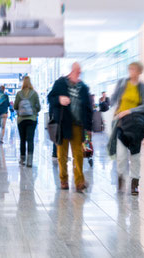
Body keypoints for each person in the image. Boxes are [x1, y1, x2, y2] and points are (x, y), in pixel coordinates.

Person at [48, 62, 93, 193]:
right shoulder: (60, 83)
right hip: (62, 124)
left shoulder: (83, 87)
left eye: (79, 71)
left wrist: (88, 128)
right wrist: (59, 100)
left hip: (78, 125)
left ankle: (79, 182)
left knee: (78, 154)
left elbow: (88, 108)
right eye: (76, 71)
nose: (78, 73)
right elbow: (50, 98)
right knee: (61, 154)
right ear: (72, 70)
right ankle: (63, 180)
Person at [111, 62, 144, 195]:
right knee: (121, 155)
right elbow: (114, 98)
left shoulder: (142, 86)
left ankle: (134, 183)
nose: (131, 71)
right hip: (121, 123)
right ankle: (121, 176)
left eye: (133, 69)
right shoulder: (122, 83)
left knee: (135, 155)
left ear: (139, 72)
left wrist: (129, 111)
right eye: (130, 69)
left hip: (135, 124)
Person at [14, 76, 41, 167]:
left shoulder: (19, 94)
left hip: (21, 120)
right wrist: (34, 111)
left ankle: (22, 160)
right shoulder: (34, 94)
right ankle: (29, 161)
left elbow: (15, 106)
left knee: (22, 139)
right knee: (30, 140)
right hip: (32, 119)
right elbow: (39, 107)